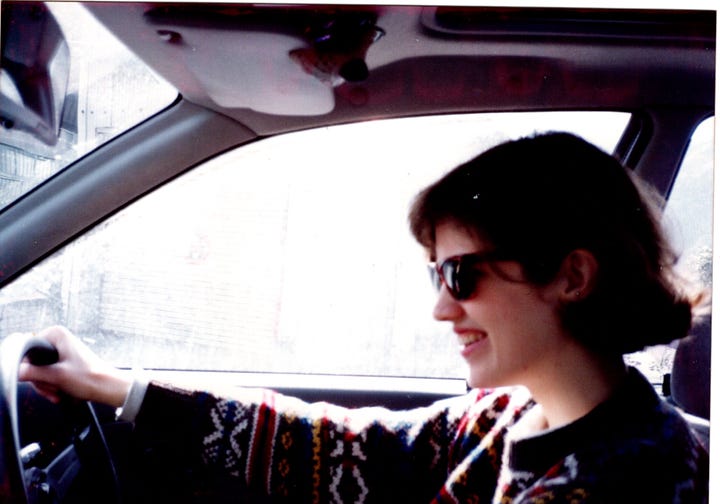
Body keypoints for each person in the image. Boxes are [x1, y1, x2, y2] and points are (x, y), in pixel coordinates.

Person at [19, 132, 708, 503]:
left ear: (571, 276)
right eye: (437, 274)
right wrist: (112, 385)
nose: (441, 307)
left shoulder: (628, 478)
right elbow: (345, 447)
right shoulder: (508, 416)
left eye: (462, 275)